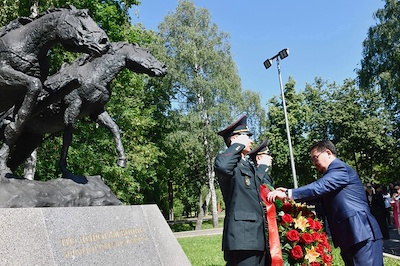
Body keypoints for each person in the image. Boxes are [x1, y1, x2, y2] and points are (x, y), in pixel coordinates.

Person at [267, 140, 383, 266]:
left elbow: (319, 187)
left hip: (360, 232)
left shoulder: (340, 168)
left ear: (328, 152)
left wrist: (289, 193)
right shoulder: (333, 174)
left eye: (315, 158)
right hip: (351, 235)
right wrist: (288, 195)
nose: (314, 163)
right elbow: (318, 196)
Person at [214, 115, 272, 266]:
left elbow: (257, 190)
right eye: (247, 137)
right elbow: (222, 166)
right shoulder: (230, 164)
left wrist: (263, 168)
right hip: (242, 238)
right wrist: (238, 145)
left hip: (257, 237)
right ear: (235, 139)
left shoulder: (247, 166)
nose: (251, 141)